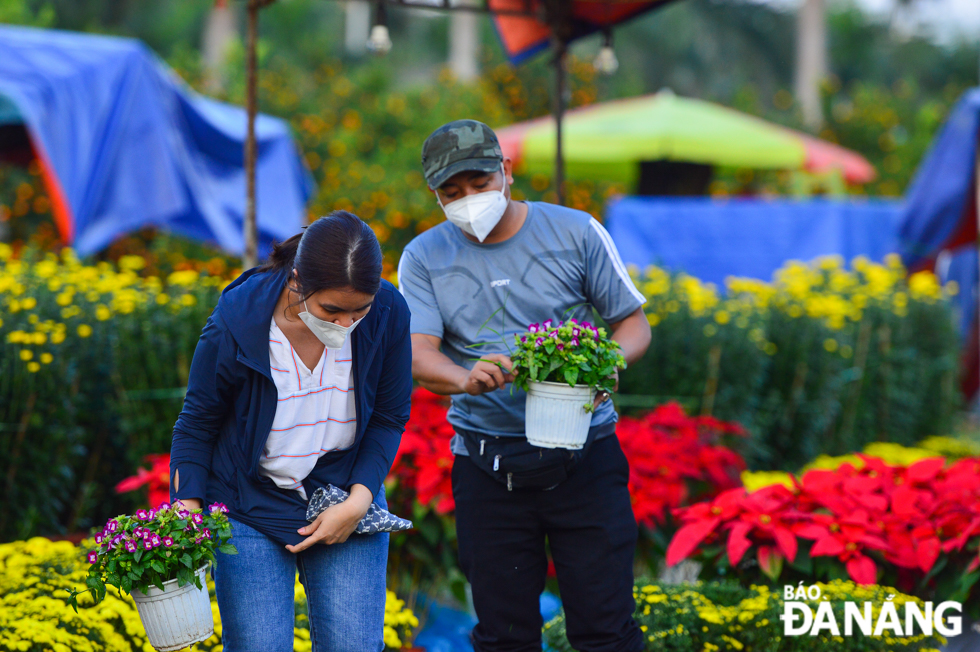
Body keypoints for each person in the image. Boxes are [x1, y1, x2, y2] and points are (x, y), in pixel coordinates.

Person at [398, 120, 652, 652]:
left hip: (586, 460)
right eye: (453, 192)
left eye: (480, 183)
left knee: (606, 630)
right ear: (436, 195)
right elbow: (419, 354)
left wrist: (604, 363)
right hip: (488, 469)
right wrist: (464, 379)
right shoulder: (423, 257)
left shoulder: (576, 231)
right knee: (503, 636)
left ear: (506, 172)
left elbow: (632, 324)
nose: (469, 199)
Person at [169, 211, 413, 652]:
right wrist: (186, 510)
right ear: (297, 280)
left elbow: (389, 417)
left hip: (342, 494)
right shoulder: (238, 322)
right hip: (248, 501)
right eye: (332, 310)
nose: (346, 324)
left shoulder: (390, 311)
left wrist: (359, 501)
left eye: (360, 310)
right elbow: (196, 423)